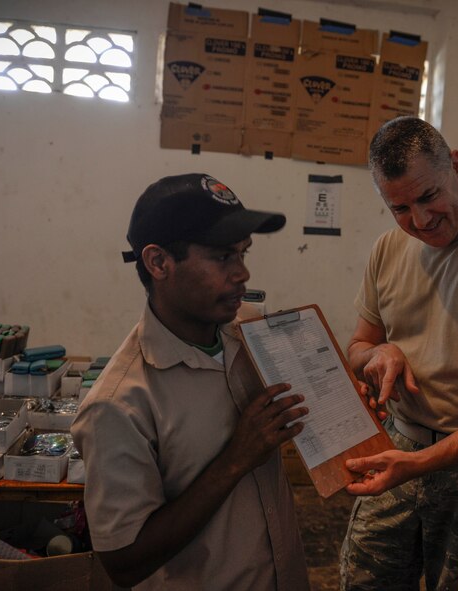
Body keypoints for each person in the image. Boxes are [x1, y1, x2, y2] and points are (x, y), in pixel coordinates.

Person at [71, 173, 311, 591]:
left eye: (243, 253)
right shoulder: (118, 405)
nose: (242, 273)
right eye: (222, 257)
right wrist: (236, 458)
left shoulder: (249, 332)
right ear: (158, 263)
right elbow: (123, 563)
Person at [339, 116, 458, 591]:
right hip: (398, 448)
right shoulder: (388, 248)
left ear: (456, 166)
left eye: (428, 196)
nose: (420, 221)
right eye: (399, 208)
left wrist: (432, 459)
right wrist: (379, 354)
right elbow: (357, 346)